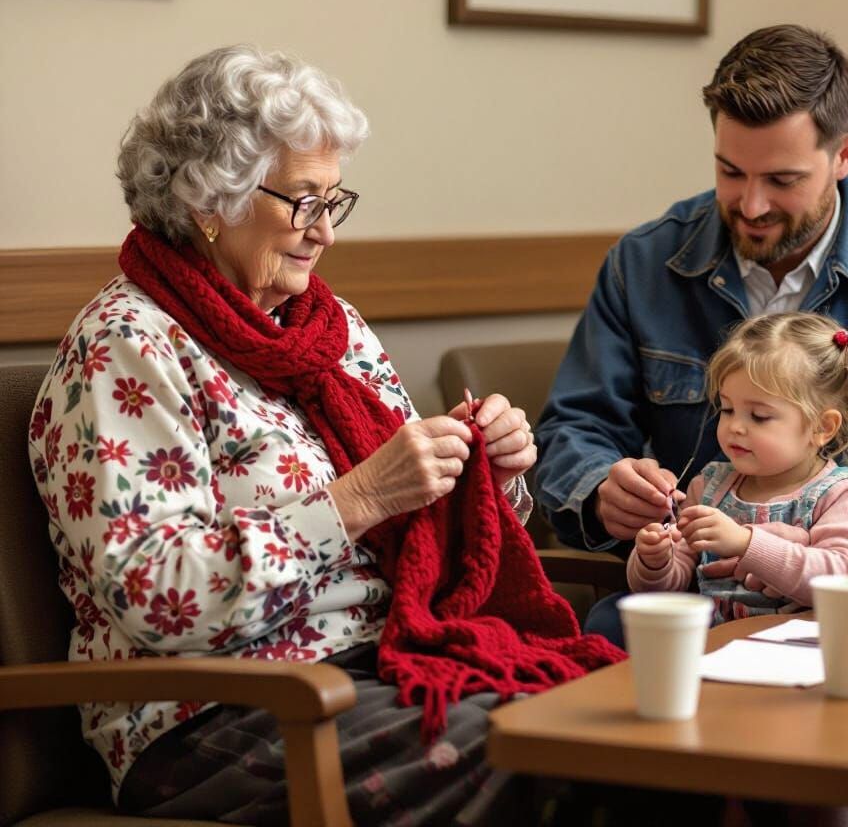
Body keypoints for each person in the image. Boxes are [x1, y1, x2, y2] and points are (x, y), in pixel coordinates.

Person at [27, 44, 624, 826]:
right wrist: (357, 499)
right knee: (546, 753)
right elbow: (157, 598)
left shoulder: (324, 327)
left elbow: (423, 527)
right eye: (304, 202)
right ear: (212, 201)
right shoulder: (127, 346)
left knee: (626, 725)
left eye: (333, 202)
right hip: (217, 710)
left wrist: (491, 472)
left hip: (389, 661)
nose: (325, 234)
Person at [535, 24, 848, 629]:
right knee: (611, 627)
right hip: (701, 588)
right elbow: (573, 429)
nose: (752, 204)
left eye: (782, 180)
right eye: (730, 171)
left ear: (845, 155)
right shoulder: (643, 266)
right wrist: (598, 489)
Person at [627, 311, 848, 629]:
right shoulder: (709, 488)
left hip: (809, 655)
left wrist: (746, 543)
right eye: (727, 409)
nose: (735, 426)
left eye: (760, 416)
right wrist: (655, 561)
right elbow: (669, 588)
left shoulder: (842, 496)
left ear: (822, 426)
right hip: (720, 653)